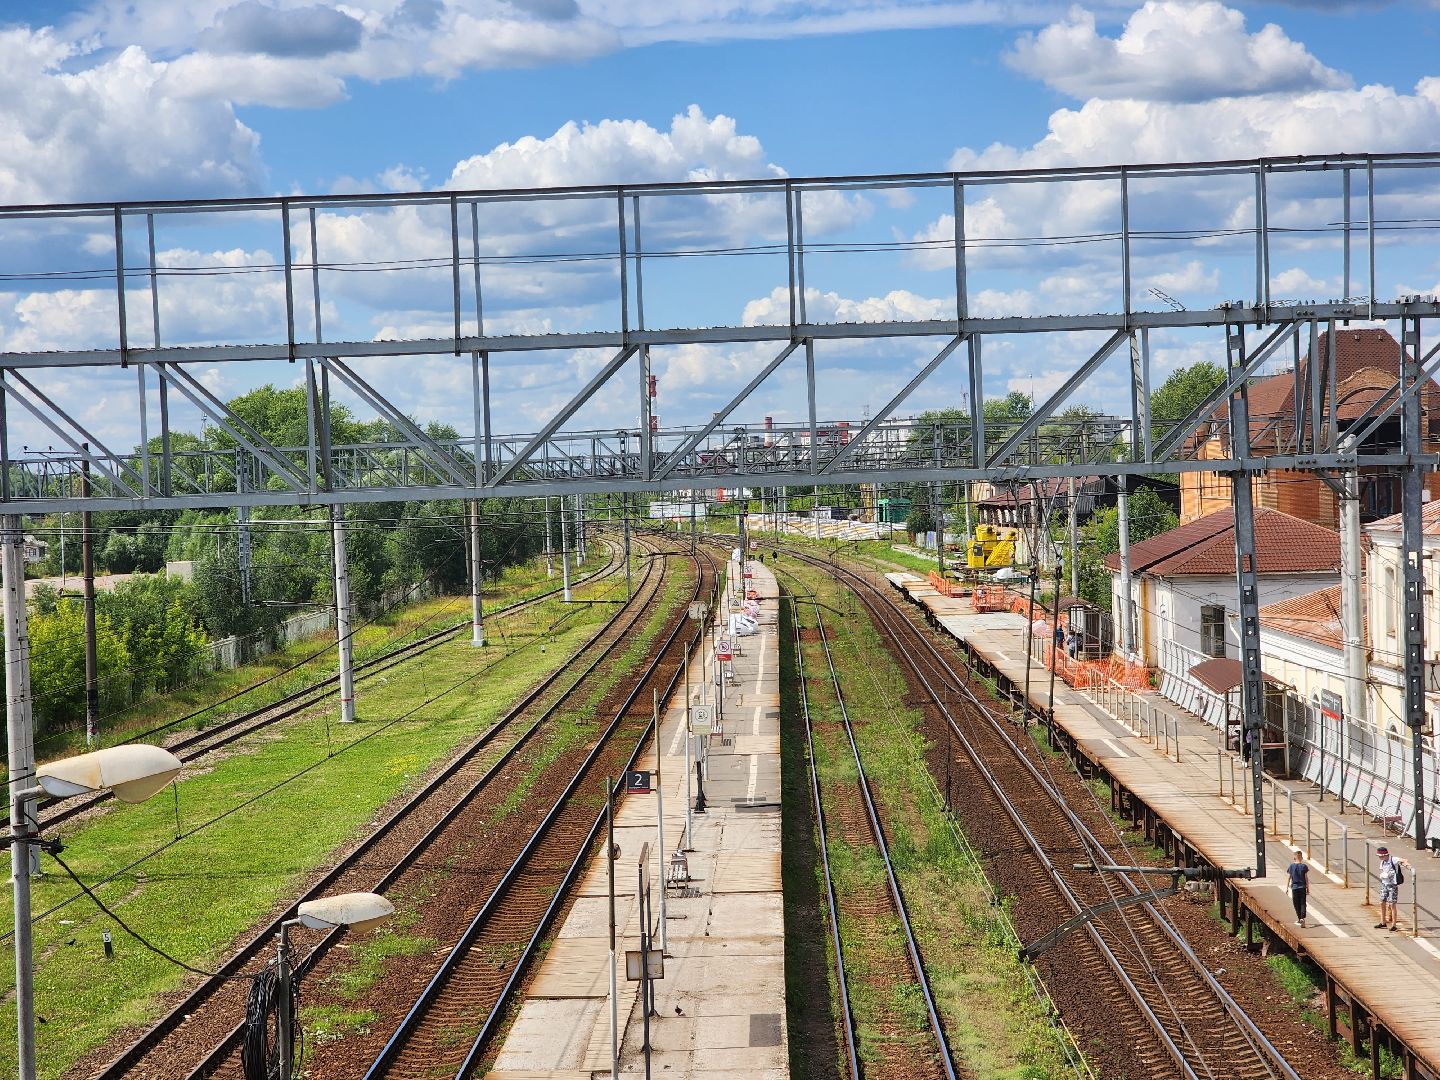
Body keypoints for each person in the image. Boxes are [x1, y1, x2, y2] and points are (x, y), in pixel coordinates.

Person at [1376, 845, 1409, 931]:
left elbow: (1403, 860)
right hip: (1384, 884)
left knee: (1392, 904)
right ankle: (1383, 922)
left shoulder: (1392, 859)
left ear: (1383, 855)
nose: (1379, 857)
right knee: (1382, 902)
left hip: (1392, 885)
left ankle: (1394, 924)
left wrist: (1406, 864)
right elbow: (1383, 871)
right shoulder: (1382, 862)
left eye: (1379, 855)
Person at [1286, 849, 1310, 927]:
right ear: (1301, 857)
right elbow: (1306, 878)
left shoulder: (1291, 866)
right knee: (1303, 903)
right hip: (1302, 887)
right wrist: (1308, 888)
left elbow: (1289, 877)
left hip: (1295, 887)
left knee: (1296, 903)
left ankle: (1299, 918)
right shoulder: (1304, 866)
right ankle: (1302, 918)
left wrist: (1286, 887)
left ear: (1294, 857)